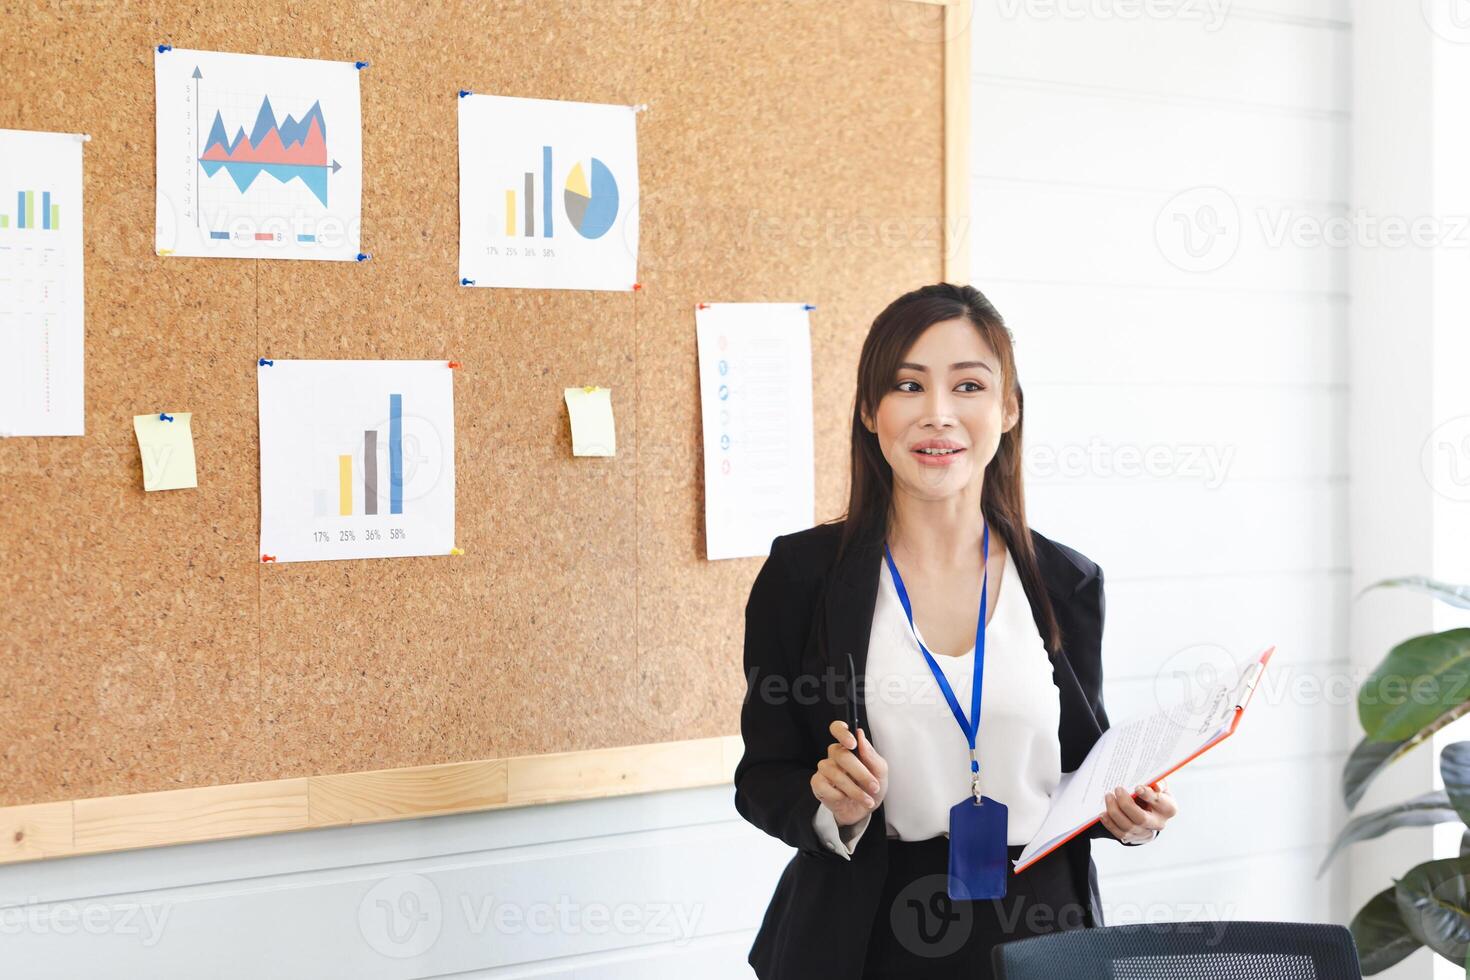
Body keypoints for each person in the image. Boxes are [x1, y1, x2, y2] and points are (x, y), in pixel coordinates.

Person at [733, 283, 1179, 980]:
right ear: (868, 410)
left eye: (968, 385)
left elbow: (1081, 763)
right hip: (865, 932)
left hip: (1040, 926)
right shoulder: (804, 575)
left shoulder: (1066, 581)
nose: (937, 414)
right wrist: (829, 806)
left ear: (1008, 409)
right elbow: (762, 777)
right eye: (908, 386)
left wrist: (1128, 813)